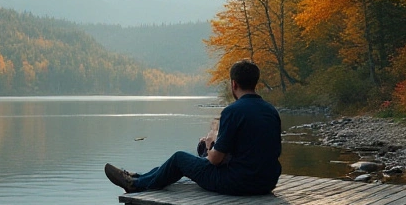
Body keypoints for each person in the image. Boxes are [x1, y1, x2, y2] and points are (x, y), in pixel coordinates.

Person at [105, 58, 281, 195]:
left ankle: (135, 184)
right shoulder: (271, 111)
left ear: (233, 84)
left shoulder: (233, 111)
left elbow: (215, 160)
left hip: (237, 184)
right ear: (255, 83)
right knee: (191, 162)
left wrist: (210, 145)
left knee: (180, 158)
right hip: (266, 183)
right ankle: (138, 176)